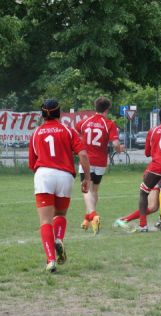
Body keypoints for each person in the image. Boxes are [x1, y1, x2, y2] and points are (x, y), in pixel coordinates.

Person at [29, 99, 91, 272]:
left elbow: (32, 163)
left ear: (42, 114)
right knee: (60, 214)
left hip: (43, 175)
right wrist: (87, 178)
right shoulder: (68, 131)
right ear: (59, 112)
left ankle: (50, 260)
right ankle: (59, 239)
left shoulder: (36, 133)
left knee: (45, 220)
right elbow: (84, 155)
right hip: (65, 176)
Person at [75, 97, 124, 234]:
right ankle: (87, 218)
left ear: (95, 107)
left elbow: (77, 134)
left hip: (86, 161)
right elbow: (115, 145)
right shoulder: (109, 124)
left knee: (86, 190)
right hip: (101, 162)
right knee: (94, 190)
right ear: (107, 109)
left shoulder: (84, 122)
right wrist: (121, 149)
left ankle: (93, 216)